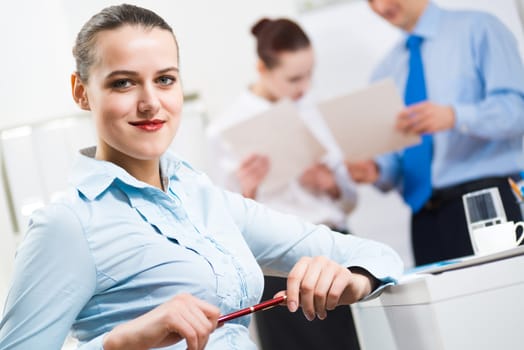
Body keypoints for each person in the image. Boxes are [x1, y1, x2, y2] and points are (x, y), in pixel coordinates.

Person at [0, 4, 403, 350]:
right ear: (81, 91)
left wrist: (353, 283)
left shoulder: (205, 199)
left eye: (165, 79)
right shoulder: (67, 225)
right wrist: (120, 342)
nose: (150, 103)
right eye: (123, 82)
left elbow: (379, 256)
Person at [206, 18, 361, 349]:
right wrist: (247, 190)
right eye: (293, 78)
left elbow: (349, 200)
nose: (303, 87)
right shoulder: (225, 128)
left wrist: (330, 183)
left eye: (309, 74)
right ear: (262, 68)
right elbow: (220, 226)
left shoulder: (315, 110)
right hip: (278, 265)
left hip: (334, 249)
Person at [349, 0, 524, 266]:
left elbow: (516, 110)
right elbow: (396, 159)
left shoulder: (479, 29)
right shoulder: (385, 72)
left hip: (487, 203)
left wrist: (455, 116)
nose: (381, 7)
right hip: (425, 218)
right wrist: (375, 171)